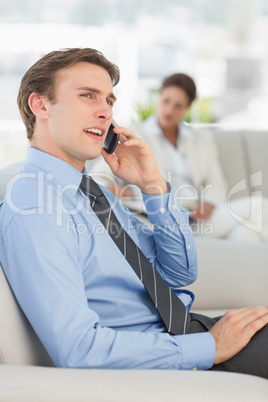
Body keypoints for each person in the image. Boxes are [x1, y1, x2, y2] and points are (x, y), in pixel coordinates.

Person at [0, 48, 267, 378]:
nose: (105, 112)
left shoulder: (91, 193)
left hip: (185, 333)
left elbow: (179, 273)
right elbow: (79, 347)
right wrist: (210, 346)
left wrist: (153, 186)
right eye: (88, 96)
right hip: (169, 353)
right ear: (40, 105)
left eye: (109, 102)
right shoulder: (34, 208)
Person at [91, 73, 268, 241]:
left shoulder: (202, 140)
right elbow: (97, 176)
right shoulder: (133, 134)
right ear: (159, 98)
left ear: (187, 107)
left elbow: (216, 182)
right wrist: (112, 187)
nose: (169, 110)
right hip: (152, 218)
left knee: (250, 226)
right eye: (166, 101)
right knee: (253, 224)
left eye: (178, 105)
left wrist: (209, 204)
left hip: (196, 220)